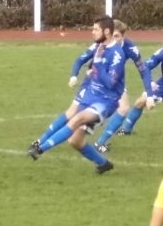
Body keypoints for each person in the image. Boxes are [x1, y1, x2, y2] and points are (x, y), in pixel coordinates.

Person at [27, 16, 122, 174]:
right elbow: (80, 60)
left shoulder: (117, 54)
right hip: (91, 94)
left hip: (106, 101)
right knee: (75, 141)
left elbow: (111, 82)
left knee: (76, 117)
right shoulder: (97, 47)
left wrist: (97, 64)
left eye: (95, 29)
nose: (92, 32)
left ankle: (40, 148)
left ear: (106, 31)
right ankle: (103, 164)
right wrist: (80, 75)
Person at [93, 21, 157, 153]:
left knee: (123, 108)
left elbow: (143, 70)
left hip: (115, 82)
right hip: (98, 80)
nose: (113, 39)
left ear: (123, 36)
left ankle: (99, 141)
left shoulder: (130, 48)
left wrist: (149, 94)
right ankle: (89, 133)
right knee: (92, 112)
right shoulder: (102, 44)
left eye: (116, 36)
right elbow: (86, 61)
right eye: (112, 35)